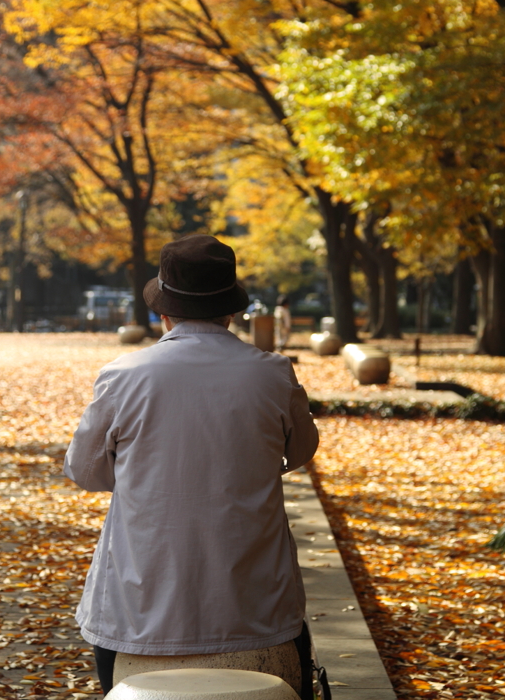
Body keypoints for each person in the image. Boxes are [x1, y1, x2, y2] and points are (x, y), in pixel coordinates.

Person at [64, 235, 319, 697]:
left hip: (140, 603)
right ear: (230, 311)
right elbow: (300, 451)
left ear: (163, 310)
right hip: (254, 602)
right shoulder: (273, 373)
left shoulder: (125, 375)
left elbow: (84, 470)